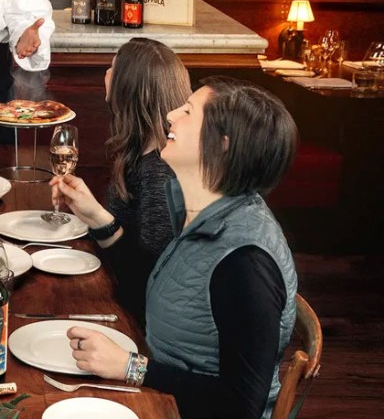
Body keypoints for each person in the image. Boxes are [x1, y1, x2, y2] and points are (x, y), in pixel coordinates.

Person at [55, 77, 299, 419]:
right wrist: (99, 219)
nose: (171, 115)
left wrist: (132, 368)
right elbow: (162, 293)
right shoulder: (202, 211)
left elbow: (241, 406)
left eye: (187, 111)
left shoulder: (246, 262)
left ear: (223, 144)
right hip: (159, 396)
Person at [49, 37, 190, 326]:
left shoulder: (160, 172)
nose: (106, 74)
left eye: (113, 68)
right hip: (113, 294)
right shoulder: (140, 149)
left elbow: (149, 283)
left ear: (129, 88)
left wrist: (103, 221)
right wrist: (91, 212)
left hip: (133, 323)